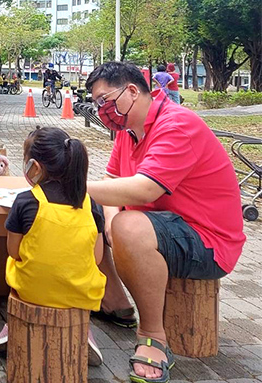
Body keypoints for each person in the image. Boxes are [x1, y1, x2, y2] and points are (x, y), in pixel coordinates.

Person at [85, 62, 245, 383]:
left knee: (124, 223)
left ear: (131, 91)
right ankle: (116, 302)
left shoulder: (177, 125)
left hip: (206, 242)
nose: (101, 110)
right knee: (93, 209)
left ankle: (153, 336)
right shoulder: (128, 131)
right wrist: (111, 221)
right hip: (161, 227)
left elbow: (145, 189)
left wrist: (69, 186)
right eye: (96, 103)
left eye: (104, 100)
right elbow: (113, 179)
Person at [0, 127, 106, 365]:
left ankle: (13, 326)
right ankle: (85, 331)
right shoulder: (91, 204)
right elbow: (98, 257)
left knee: (15, 266)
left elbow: (14, 251)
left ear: (35, 166)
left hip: (33, 290)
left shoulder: (25, 201)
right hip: (82, 293)